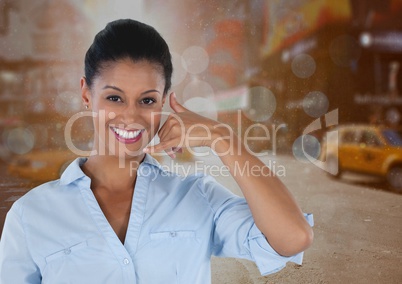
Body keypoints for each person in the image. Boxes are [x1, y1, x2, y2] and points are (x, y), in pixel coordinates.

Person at [0, 19, 313, 283]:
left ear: (164, 101)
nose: (131, 116)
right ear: (86, 94)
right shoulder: (30, 216)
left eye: (147, 100)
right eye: (114, 98)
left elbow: (293, 238)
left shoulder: (196, 196)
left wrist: (223, 138)